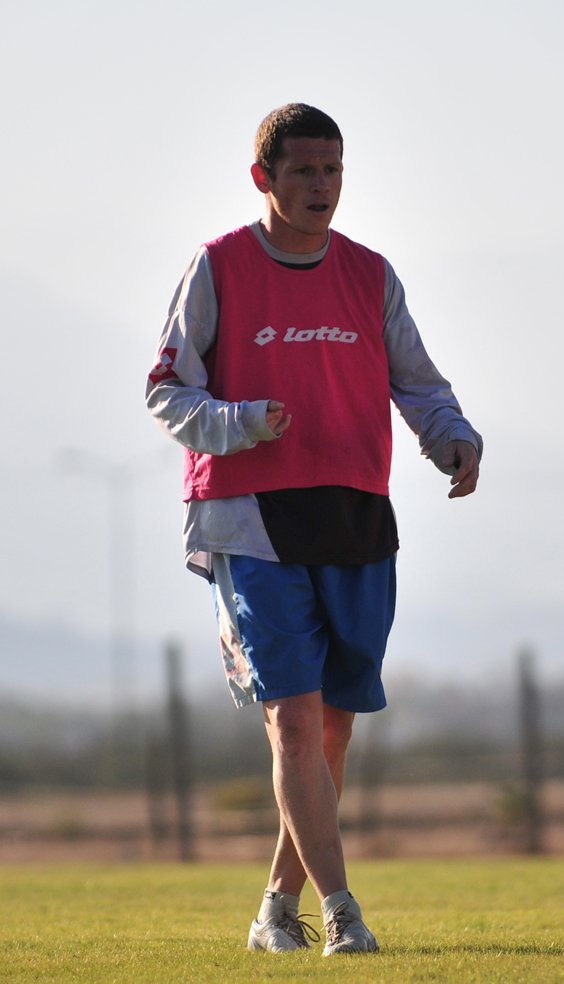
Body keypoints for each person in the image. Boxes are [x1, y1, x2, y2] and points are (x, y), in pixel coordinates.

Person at [146, 103, 482, 956]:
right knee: (293, 722)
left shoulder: (371, 275)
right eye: (303, 170)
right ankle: (342, 915)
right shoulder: (219, 266)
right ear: (263, 177)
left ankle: (274, 911)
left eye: (332, 170)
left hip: (356, 513)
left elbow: (419, 383)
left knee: (331, 728)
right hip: (251, 517)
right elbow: (166, 391)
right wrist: (238, 422)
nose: (321, 185)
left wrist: (452, 439)